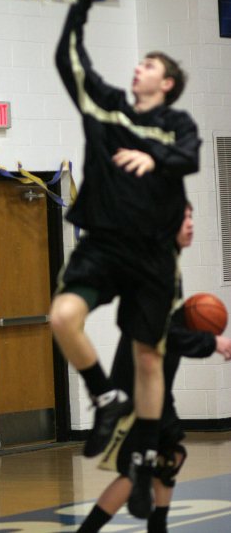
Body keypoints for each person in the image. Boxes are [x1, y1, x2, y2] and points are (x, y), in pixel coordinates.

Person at [49, 0, 201, 518]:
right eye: (138, 63)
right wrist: (83, 1)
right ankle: (103, 396)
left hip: (155, 255)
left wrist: (152, 160)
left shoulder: (176, 126)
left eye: (150, 64)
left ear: (168, 82)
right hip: (105, 243)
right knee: (62, 316)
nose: (139, 68)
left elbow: (187, 157)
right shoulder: (105, 107)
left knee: (147, 357)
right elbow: (68, 58)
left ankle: (141, 458)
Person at [77, 204, 231, 532]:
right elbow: (162, 334)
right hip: (137, 389)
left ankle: (157, 526)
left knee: (170, 456)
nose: (190, 224)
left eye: (191, 216)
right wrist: (212, 343)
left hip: (158, 387)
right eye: (182, 218)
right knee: (135, 472)